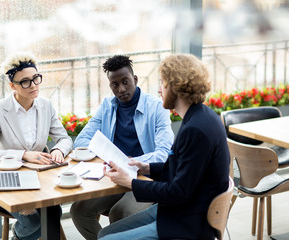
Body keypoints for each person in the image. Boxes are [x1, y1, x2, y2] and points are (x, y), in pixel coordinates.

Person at [98, 54, 230, 240]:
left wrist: (130, 182)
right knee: (104, 233)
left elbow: (178, 193)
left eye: (163, 83)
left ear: (175, 86)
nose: (159, 90)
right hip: (179, 211)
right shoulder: (199, 117)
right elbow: (183, 168)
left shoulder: (196, 130)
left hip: (187, 221)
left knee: (105, 239)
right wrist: (146, 167)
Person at [70, 55, 174, 240]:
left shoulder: (157, 108)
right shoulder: (107, 106)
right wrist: (107, 156)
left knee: (120, 214)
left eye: (125, 82)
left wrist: (128, 162)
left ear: (134, 79)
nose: (121, 89)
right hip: (116, 176)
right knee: (79, 210)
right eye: (115, 85)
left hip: (146, 178)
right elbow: (82, 139)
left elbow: (164, 154)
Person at [0, 52, 72, 240]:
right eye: (25, 82)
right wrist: (23, 155)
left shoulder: (46, 105)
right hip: (7, 178)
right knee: (34, 224)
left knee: (53, 213)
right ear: (12, 85)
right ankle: (18, 237)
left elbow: (64, 139)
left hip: (40, 179)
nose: (33, 86)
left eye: (36, 79)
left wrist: (57, 150)